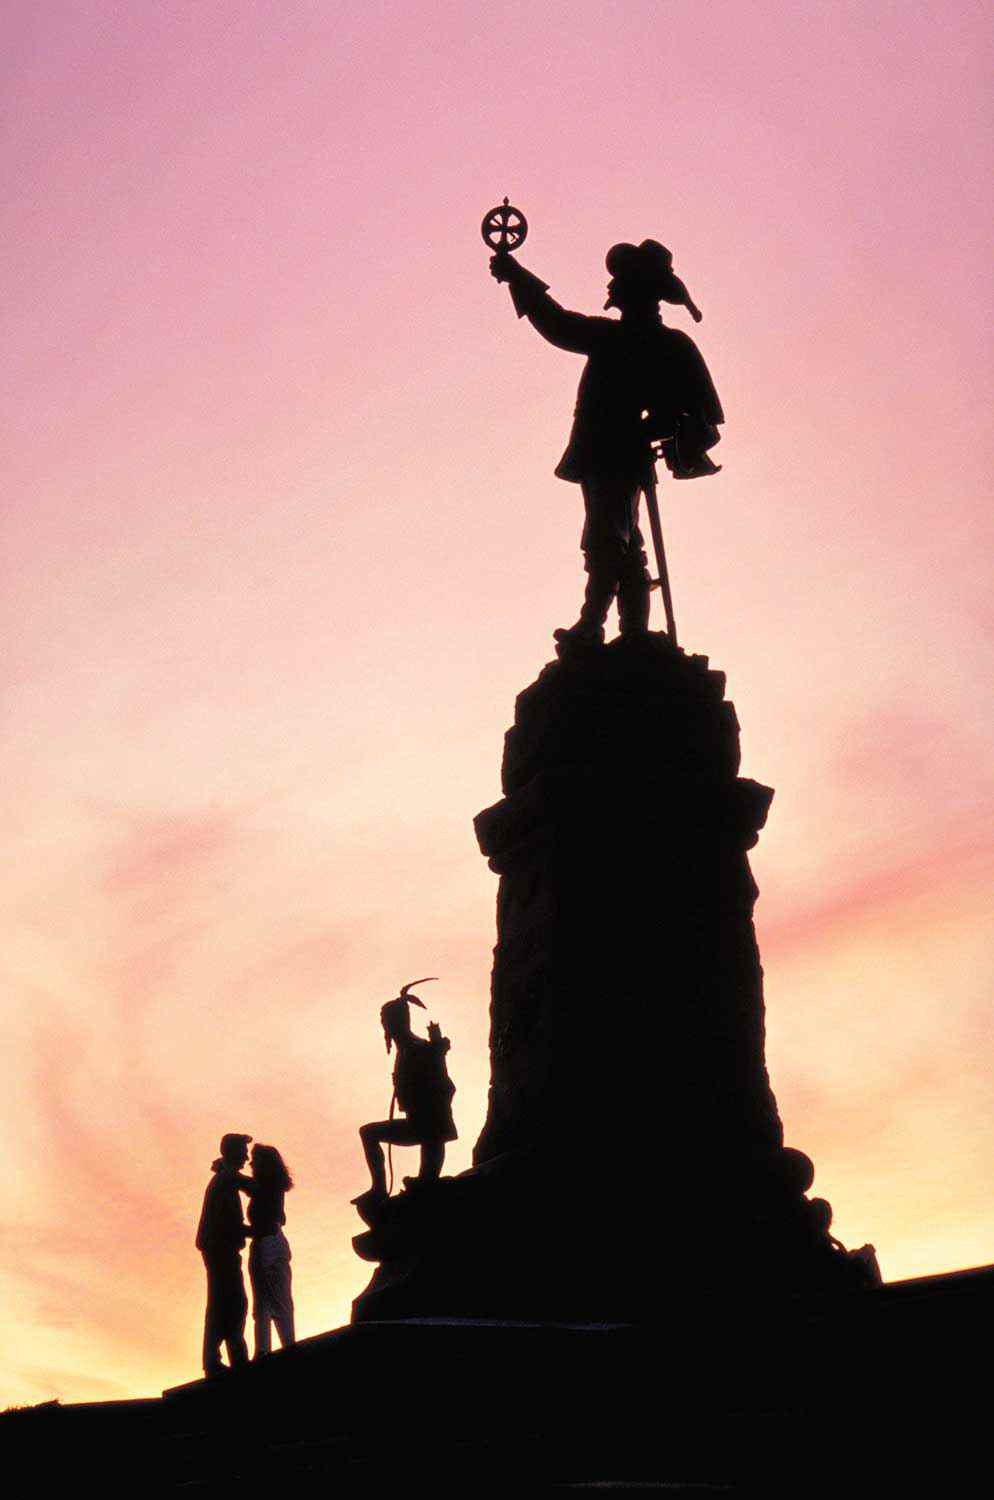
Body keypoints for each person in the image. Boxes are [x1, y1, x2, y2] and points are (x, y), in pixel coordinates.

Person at [490, 238, 724, 645]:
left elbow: (560, 325)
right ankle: (632, 630)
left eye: (620, 280)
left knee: (606, 539)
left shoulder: (642, 343)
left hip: (613, 453)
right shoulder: (649, 342)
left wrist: (517, 277)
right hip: (614, 453)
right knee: (624, 542)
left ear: (636, 290)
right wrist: (517, 276)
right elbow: (559, 324)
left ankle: (592, 624)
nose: (611, 286)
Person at [357, 981, 457, 1202]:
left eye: (387, 1021)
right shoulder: (406, 1050)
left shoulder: (416, 1049)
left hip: (427, 1124)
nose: (385, 1026)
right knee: (368, 1132)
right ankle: (380, 1188)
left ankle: (394, 1186)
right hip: (419, 1122)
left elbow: (445, 1087)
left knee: (369, 1133)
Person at [195, 1132, 251, 1377]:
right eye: (243, 1152)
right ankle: (222, 1359)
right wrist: (259, 1230)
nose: (247, 1158)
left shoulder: (225, 1177)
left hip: (219, 1247)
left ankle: (222, 1357)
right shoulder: (226, 1178)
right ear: (233, 1152)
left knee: (227, 1302)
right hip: (220, 1248)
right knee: (231, 1302)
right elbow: (253, 1188)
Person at [240, 1143, 296, 1357]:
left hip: (269, 1243)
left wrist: (228, 1173)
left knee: (277, 1301)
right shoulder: (268, 1187)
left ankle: (287, 1348)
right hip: (265, 1243)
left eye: (255, 1160)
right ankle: (264, 1350)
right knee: (264, 1302)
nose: (251, 1164)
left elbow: (247, 1185)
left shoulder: (268, 1186)